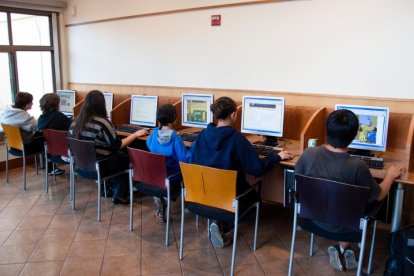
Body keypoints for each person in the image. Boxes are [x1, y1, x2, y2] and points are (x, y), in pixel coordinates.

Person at [295, 109, 403, 271]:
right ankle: (343, 247)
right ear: (353, 136)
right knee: (363, 205)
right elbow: (379, 195)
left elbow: (299, 177)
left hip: (311, 220)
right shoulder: (357, 166)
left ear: (327, 130)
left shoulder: (308, 154)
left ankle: (342, 249)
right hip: (346, 228)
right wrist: (389, 176)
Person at [191, 96, 292, 248]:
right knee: (255, 198)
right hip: (228, 196)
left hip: (202, 194)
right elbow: (257, 169)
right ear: (233, 114)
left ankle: (219, 222)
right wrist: (277, 156)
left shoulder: (202, 135)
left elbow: (194, 161)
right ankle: (223, 224)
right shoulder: (236, 139)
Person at [68, 90, 148, 204]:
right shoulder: (102, 122)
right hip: (100, 167)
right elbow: (117, 145)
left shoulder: (75, 122)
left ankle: (107, 189)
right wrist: (135, 134)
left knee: (116, 156)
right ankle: (119, 194)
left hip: (81, 166)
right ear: (101, 104)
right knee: (126, 156)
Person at [146, 104, 192, 222]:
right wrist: (192, 147)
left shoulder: (155, 133)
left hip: (157, 175)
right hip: (172, 176)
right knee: (190, 169)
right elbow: (185, 159)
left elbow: (148, 144)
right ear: (175, 119)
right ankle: (190, 205)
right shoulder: (175, 138)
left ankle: (160, 197)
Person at [38, 93, 72, 175]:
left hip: (50, 153)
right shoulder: (60, 118)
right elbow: (72, 128)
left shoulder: (41, 118)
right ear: (56, 104)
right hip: (64, 153)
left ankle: (50, 168)